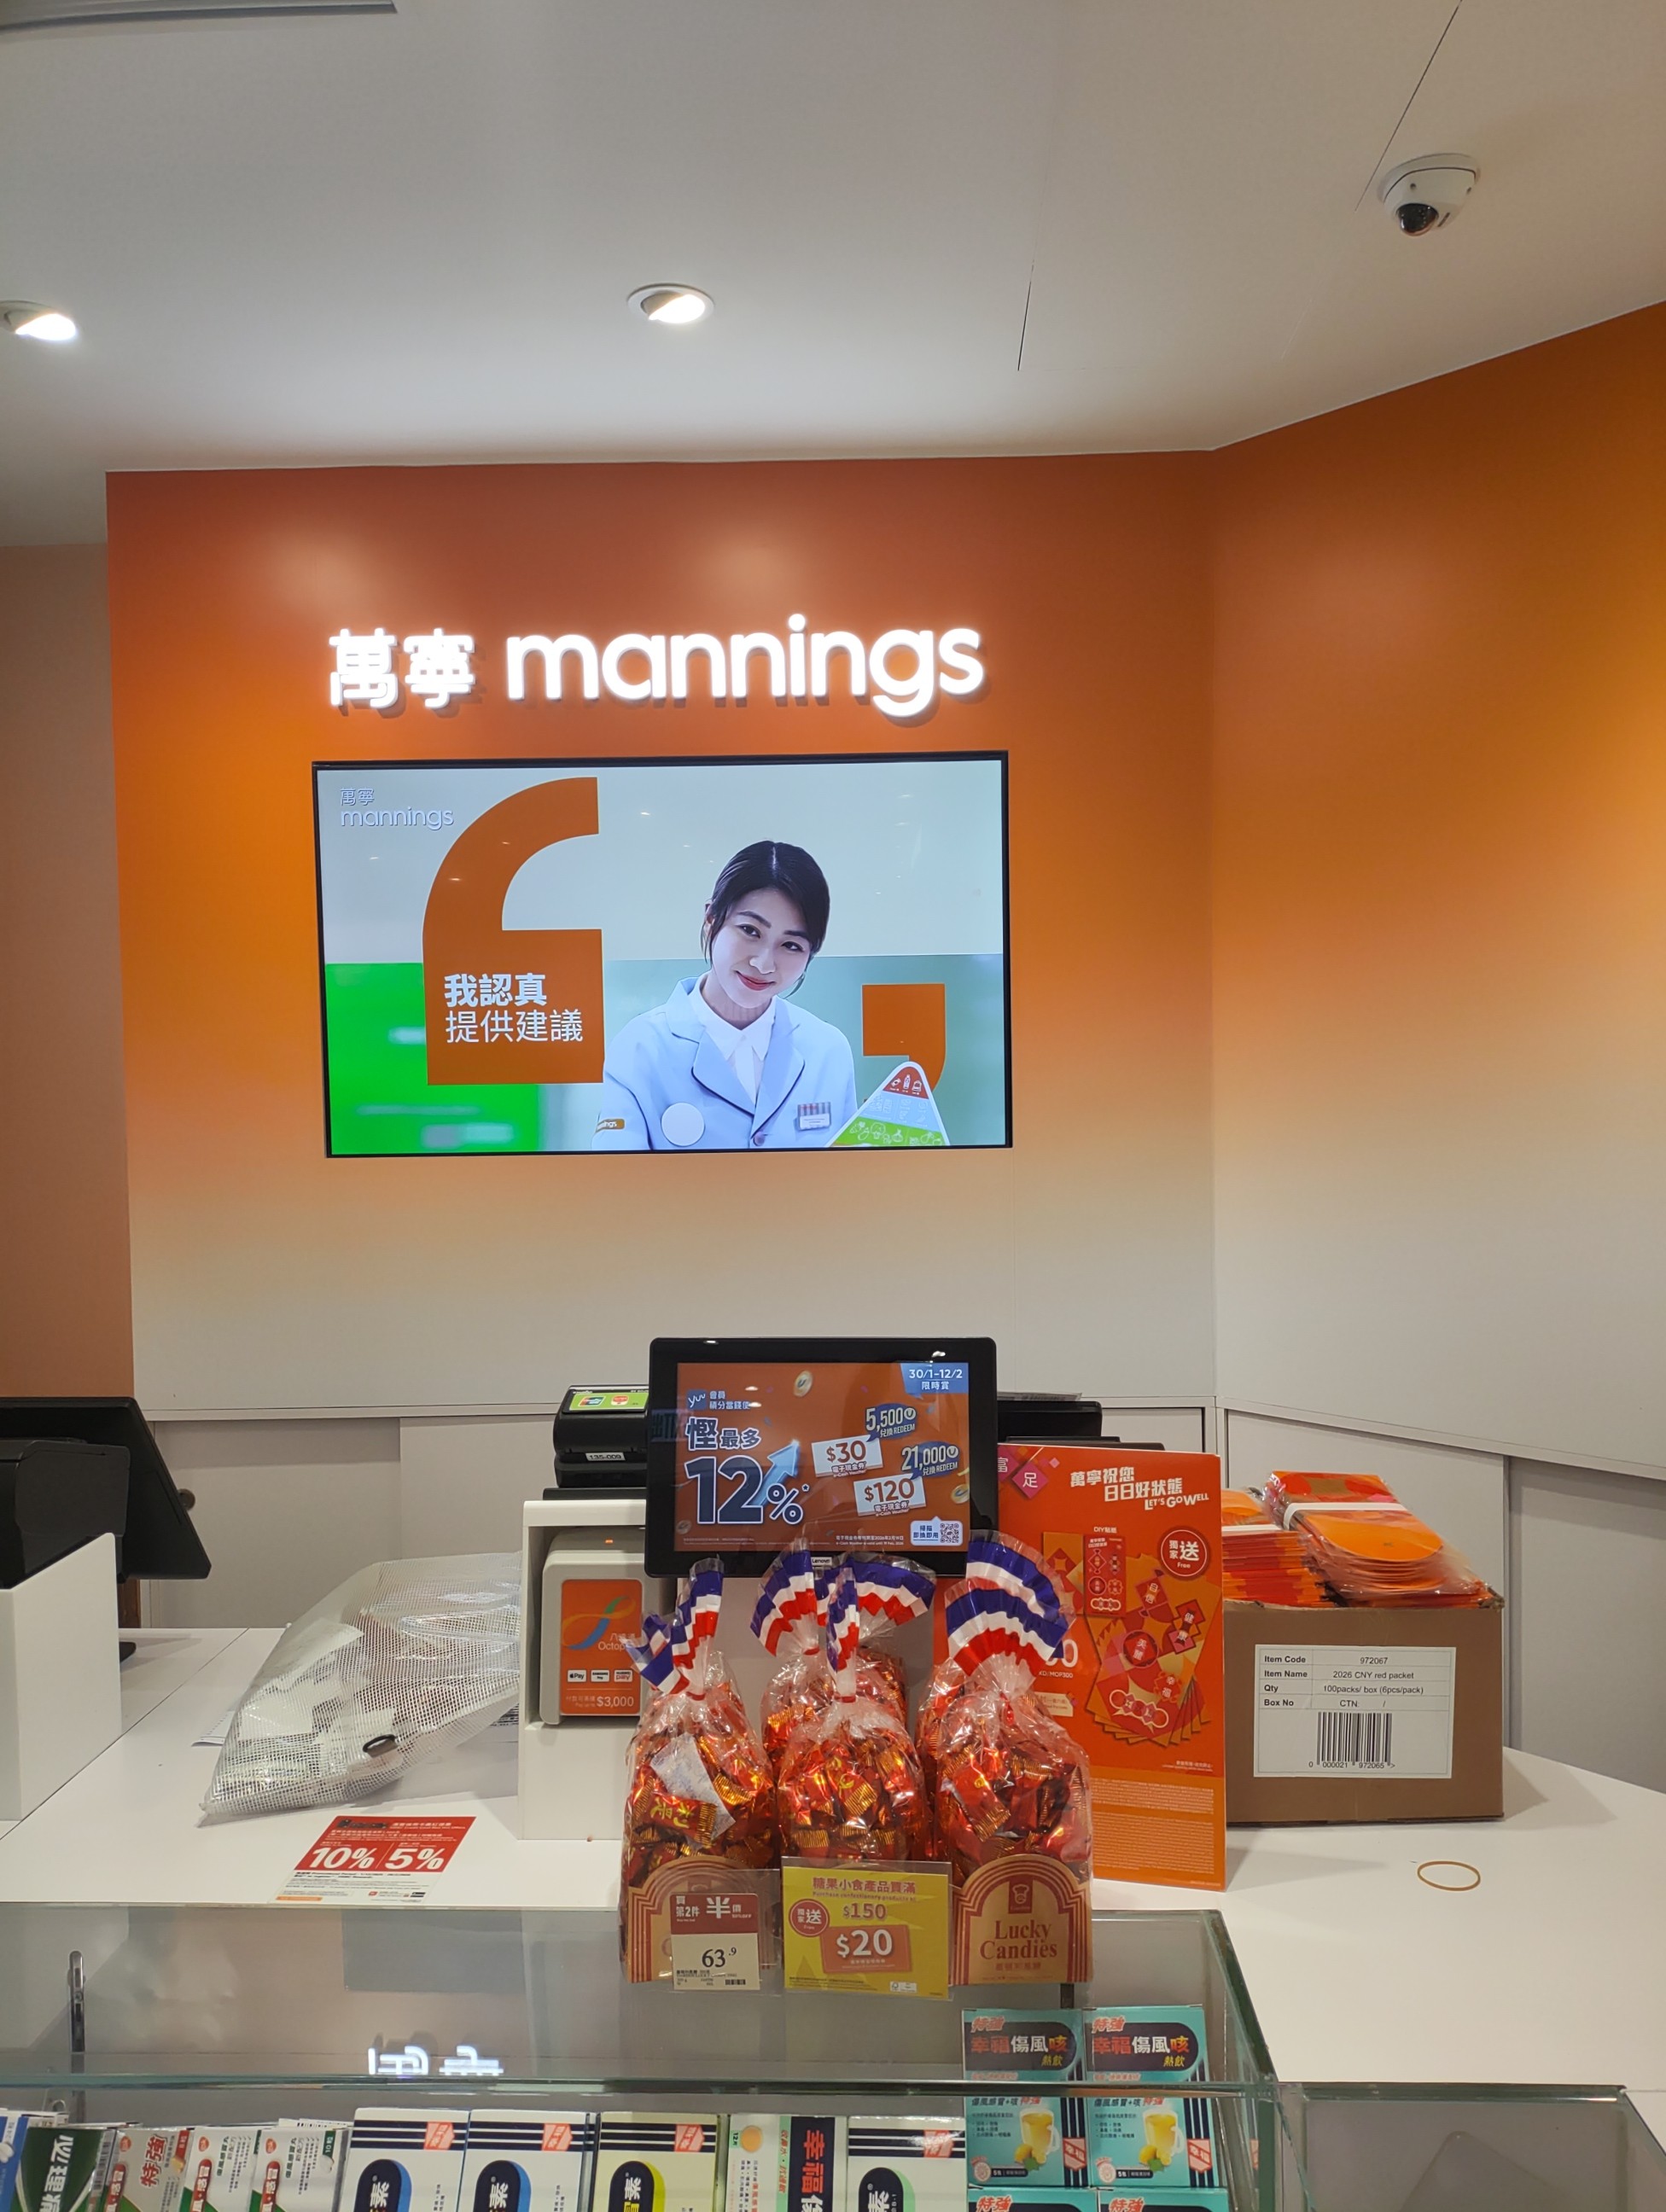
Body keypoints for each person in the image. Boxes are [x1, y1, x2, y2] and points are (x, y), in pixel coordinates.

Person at [592, 840, 859, 1150]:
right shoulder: (641, 1047)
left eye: (791, 946)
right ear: (711, 919)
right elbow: (615, 1176)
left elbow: (851, 1174)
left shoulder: (828, 1051)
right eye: (750, 931)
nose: (764, 964)